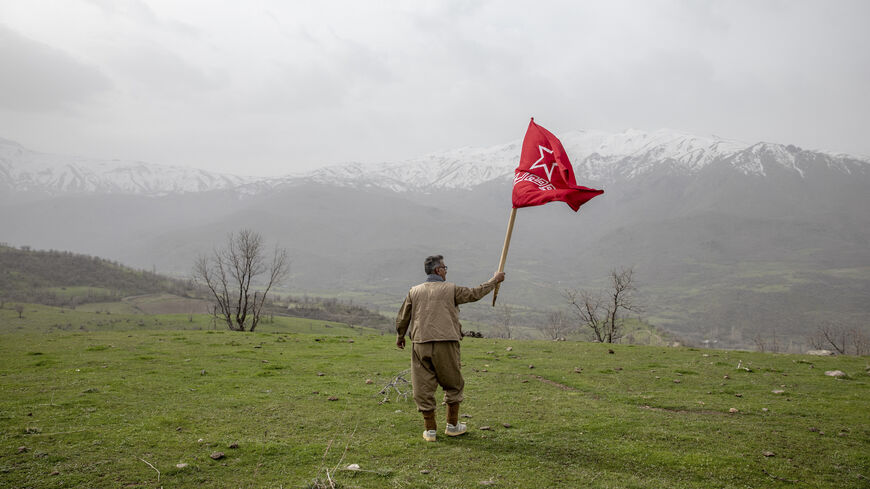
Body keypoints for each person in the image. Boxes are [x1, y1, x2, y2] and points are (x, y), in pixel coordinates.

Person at [395, 254, 505, 442]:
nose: (446, 271)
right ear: (438, 270)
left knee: (422, 386)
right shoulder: (451, 289)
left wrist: (400, 335)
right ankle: (452, 426)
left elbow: (403, 316)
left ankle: (430, 430)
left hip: (420, 343)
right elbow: (474, 294)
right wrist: (494, 281)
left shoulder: (414, 291)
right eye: (445, 268)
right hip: (446, 342)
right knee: (453, 384)